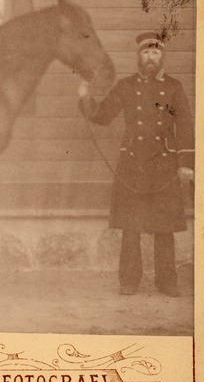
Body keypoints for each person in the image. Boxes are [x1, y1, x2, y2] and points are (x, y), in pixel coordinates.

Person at [78, 32, 194, 297]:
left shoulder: (173, 88)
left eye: (155, 52)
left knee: (164, 226)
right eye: (146, 52)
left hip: (164, 164)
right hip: (132, 163)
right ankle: (129, 280)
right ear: (139, 56)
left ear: (162, 56)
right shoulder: (126, 86)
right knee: (131, 226)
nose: (151, 57)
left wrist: (185, 163)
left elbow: (185, 124)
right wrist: (86, 98)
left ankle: (167, 281)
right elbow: (103, 115)